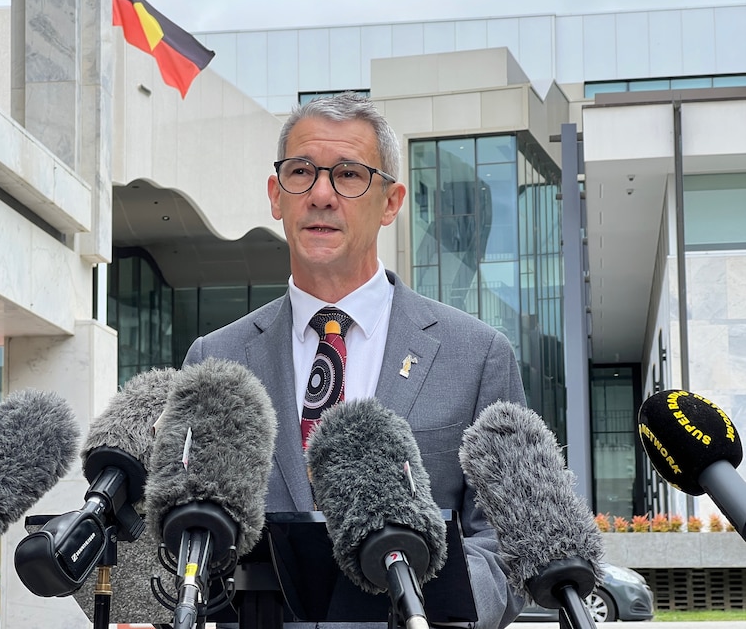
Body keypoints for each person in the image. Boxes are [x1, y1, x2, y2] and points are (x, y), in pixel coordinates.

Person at [183, 92, 526, 629]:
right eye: (301, 172)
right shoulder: (215, 359)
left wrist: (432, 605)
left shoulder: (478, 355)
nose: (321, 194)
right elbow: (188, 533)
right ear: (276, 196)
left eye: (348, 175)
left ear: (390, 202)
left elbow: (506, 548)